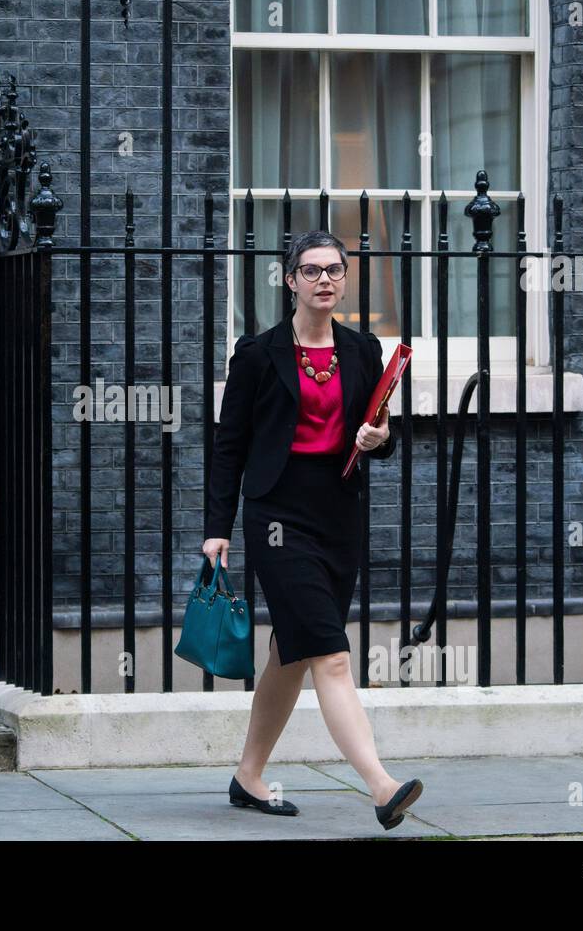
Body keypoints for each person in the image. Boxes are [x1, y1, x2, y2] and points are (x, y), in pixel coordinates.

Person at [202, 230, 424, 830]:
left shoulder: (362, 351)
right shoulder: (256, 354)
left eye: (334, 269)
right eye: (312, 270)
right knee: (328, 652)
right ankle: (380, 785)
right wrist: (217, 527)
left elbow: (377, 431)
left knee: (290, 651)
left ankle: (249, 775)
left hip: (339, 513)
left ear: (345, 280)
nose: (324, 279)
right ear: (291, 280)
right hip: (278, 514)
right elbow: (230, 445)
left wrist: (381, 439)